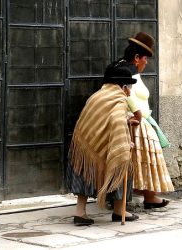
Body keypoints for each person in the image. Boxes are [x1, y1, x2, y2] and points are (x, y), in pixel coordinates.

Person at [66, 62, 139, 226]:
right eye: (129, 87)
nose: (129, 91)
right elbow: (115, 120)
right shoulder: (119, 100)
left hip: (85, 142)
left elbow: (102, 120)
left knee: (85, 170)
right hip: (101, 142)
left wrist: (126, 120)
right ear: (123, 86)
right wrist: (126, 142)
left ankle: (80, 212)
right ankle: (119, 211)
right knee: (122, 162)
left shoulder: (98, 95)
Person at [115, 32, 174, 209]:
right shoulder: (125, 70)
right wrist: (137, 114)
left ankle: (149, 196)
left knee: (146, 162)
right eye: (145, 58)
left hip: (143, 122)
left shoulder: (132, 70)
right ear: (136, 57)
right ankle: (122, 200)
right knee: (133, 162)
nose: (146, 62)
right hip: (134, 122)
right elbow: (125, 93)